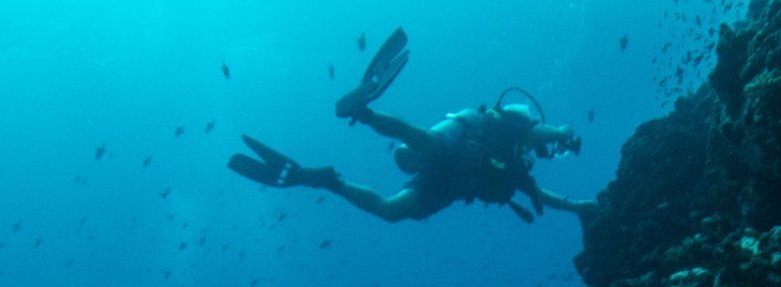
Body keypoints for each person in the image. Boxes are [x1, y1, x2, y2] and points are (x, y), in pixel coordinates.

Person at [229, 28, 594, 223]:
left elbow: (541, 195)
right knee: (420, 142)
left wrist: (578, 207)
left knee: (391, 209)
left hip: (446, 183)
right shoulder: (515, 129)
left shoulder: (519, 169)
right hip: (456, 153)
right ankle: (365, 113)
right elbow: (537, 133)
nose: (539, 152)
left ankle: (327, 178)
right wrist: (563, 132)